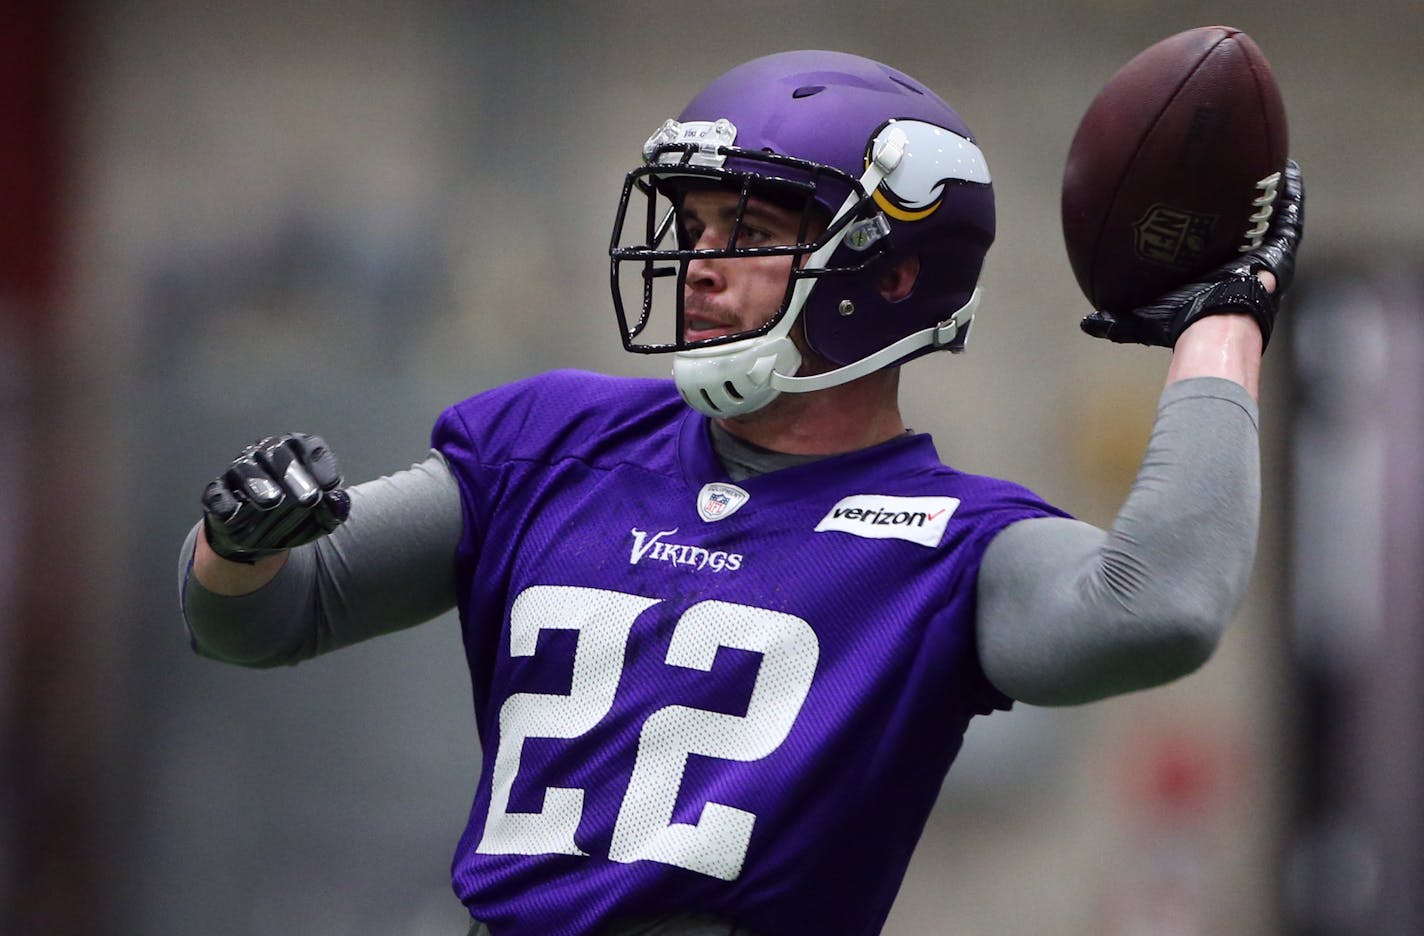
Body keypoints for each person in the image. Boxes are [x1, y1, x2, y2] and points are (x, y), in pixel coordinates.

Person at [178, 50, 1304, 936]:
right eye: (694, 226)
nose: (700, 262)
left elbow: (1157, 605)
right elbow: (262, 617)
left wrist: (1215, 326)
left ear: (890, 275)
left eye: (749, 232)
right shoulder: (551, 442)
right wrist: (237, 543)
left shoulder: (949, 546)